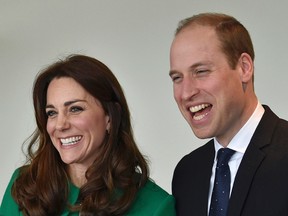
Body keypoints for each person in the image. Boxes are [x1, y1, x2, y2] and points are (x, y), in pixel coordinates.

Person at [0, 54, 176, 216]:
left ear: (110, 117)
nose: (60, 125)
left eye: (75, 109)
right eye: (52, 113)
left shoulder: (156, 207)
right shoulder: (24, 185)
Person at [169, 12, 288, 216]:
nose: (186, 92)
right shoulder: (187, 173)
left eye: (201, 71)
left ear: (244, 68)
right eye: (177, 77)